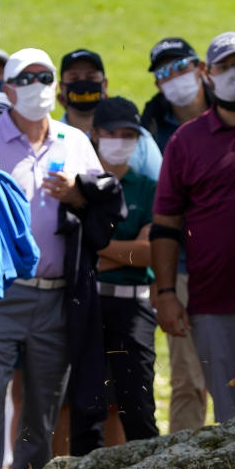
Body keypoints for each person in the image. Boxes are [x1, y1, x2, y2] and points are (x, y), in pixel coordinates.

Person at [0, 48, 111, 469]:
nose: (36, 87)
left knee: (43, 403)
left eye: (44, 78)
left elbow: (102, 205)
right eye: (26, 79)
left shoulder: (74, 141)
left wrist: (76, 196)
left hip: (57, 296)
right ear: (7, 89)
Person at [152, 31, 235, 423]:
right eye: (224, 66)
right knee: (234, 422)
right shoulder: (186, 141)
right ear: (208, 74)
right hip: (215, 307)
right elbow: (165, 224)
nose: (234, 73)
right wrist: (167, 293)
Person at [140, 37, 211, 433]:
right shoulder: (149, 129)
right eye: (164, 72)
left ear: (201, 67)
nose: (175, 78)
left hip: (233, 264)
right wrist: (161, 285)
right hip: (180, 265)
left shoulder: (234, 111)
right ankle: (182, 465)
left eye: (181, 67)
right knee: (187, 379)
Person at [91, 97, 158, 442]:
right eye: (112, 133)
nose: (120, 140)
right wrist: (124, 252)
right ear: (95, 133)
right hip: (89, 305)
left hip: (134, 306)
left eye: (128, 134)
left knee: (138, 405)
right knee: (88, 405)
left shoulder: (148, 188)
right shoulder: (81, 187)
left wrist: (99, 249)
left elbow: (148, 253)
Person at [56, 48, 161, 181]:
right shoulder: (52, 138)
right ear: (61, 87)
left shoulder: (139, 137)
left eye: (90, 77)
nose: (83, 84)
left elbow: (160, 187)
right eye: (74, 78)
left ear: (104, 84)